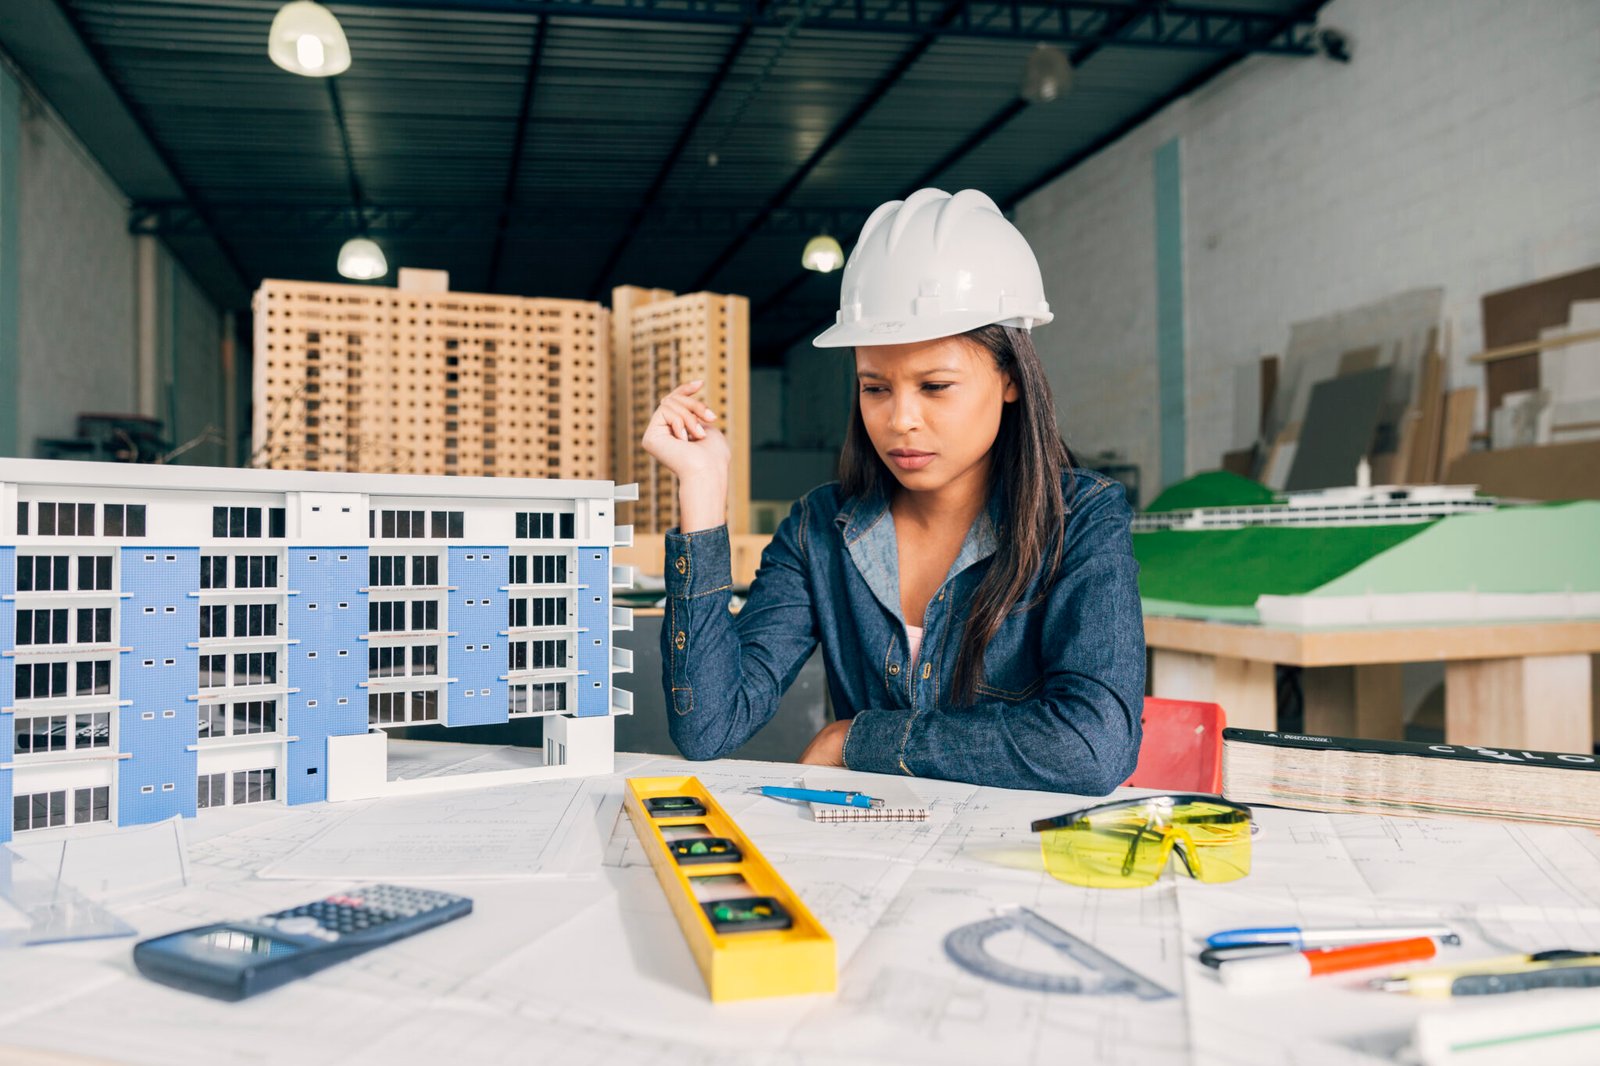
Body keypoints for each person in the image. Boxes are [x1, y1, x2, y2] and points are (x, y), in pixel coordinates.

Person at [641, 188, 1145, 794]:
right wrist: (701, 491)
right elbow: (708, 727)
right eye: (875, 388)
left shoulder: (1079, 518)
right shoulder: (818, 531)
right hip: (868, 858)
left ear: (1010, 378)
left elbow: (1092, 747)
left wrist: (855, 740)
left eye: (935, 386)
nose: (900, 419)